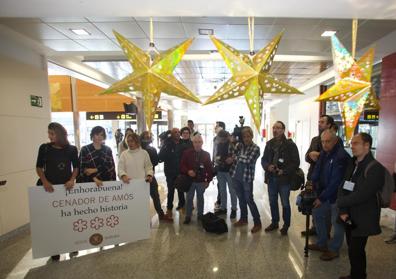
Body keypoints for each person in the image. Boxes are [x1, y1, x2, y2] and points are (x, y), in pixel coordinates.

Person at [338, 133, 385, 279]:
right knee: (353, 249)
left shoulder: (375, 168)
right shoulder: (353, 164)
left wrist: (340, 203)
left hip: (364, 217)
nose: (352, 146)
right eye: (351, 143)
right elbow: (343, 187)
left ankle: (358, 275)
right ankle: (356, 274)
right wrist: (343, 210)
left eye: (356, 143)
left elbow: (363, 194)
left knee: (356, 250)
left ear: (367, 146)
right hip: (349, 215)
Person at [36, 122, 79, 261]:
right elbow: (39, 167)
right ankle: (54, 248)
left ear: (59, 134)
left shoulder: (71, 149)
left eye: (52, 133)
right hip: (49, 189)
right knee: (52, 219)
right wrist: (45, 181)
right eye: (48, 133)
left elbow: (76, 167)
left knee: (68, 217)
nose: (49, 136)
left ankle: (72, 243)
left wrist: (72, 179)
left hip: (66, 188)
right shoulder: (44, 148)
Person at [308, 129, 351, 261]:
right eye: (322, 141)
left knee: (336, 222)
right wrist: (311, 183)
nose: (325, 144)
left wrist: (321, 198)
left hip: (337, 196)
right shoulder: (324, 154)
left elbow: (336, 181)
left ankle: (333, 249)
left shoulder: (341, 156)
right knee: (317, 214)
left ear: (335, 141)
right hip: (324, 193)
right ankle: (322, 243)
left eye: (328, 141)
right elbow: (317, 170)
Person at [261, 121, 300, 235]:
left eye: (278, 128)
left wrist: (284, 170)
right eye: (274, 128)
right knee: (272, 202)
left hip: (284, 179)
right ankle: (274, 222)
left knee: (285, 203)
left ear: (283, 130)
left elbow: (296, 162)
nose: (275, 130)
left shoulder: (290, 145)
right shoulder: (269, 144)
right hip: (271, 178)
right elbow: (264, 159)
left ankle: (286, 225)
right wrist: (268, 166)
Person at [303, 115, 334, 236]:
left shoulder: (336, 141)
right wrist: (311, 155)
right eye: (319, 122)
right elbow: (306, 157)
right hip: (312, 177)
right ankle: (314, 227)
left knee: (324, 204)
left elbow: (333, 158)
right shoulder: (315, 140)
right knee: (311, 201)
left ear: (329, 125)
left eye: (322, 122)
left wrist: (319, 156)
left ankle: (325, 232)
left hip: (326, 179)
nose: (319, 124)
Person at [228, 127, 261, 233]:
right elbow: (232, 154)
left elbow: (249, 160)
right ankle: (243, 219)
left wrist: (237, 157)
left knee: (249, 200)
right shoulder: (239, 145)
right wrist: (234, 154)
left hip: (246, 178)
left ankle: (257, 223)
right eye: (244, 137)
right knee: (241, 199)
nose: (246, 138)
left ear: (252, 136)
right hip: (235, 176)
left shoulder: (255, 148)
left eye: (248, 136)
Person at [180, 134, 214, 224]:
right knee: (189, 198)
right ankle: (188, 216)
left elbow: (209, 169)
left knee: (200, 198)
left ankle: (200, 215)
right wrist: (188, 171)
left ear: (202, 143)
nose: (197, 144)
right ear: (193, 143)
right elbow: (182, 165)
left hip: (201, 181)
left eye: (199, 142)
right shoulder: (187, 153)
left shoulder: (206, 154)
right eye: (195, 142)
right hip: (189, 181)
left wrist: (208, 180)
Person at [140, 131, 173, 223]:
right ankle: (160, 214)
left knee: (152, 196)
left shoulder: (140, 149)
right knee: (154, 196)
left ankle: (155, 215)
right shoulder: (150, 149)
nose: (148, 138)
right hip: (147, 176)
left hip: (147, 176)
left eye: (149, 136)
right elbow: (155, 162)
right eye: (147, 137)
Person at [159, 128, 185, 215]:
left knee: (181, 190)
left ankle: (182, 205)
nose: (178, 134)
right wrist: (165, 146)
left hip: (180, 171)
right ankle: (169, 208)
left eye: (178, 132)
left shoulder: (183, 143)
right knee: (171, 190)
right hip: (170, 172)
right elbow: (160, 157)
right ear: (172, 134)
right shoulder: (167, 144)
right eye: (175, 132)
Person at [213, 130, 237, 219]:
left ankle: (234, 209)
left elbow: (235, 156)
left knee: (232, 191)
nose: (219, 140)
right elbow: (216, 156)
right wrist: (217, 160)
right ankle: (223, 208)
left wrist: (231, 159)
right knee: (222, 190)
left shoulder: (231, 145)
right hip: (220, 170)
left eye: (221, 138)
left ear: (225, 138)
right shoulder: (218, 144)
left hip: (230, 171)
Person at [213, 121, 226, 210]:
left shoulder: (225, 139)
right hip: (217, 164)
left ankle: (221, 202)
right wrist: (212, 161)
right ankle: (220, 200)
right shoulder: (215, 138)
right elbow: (214, 151)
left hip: (224, 166)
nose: (215, 127)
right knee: (219, 184)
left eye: (217, 126)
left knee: (222, 185)